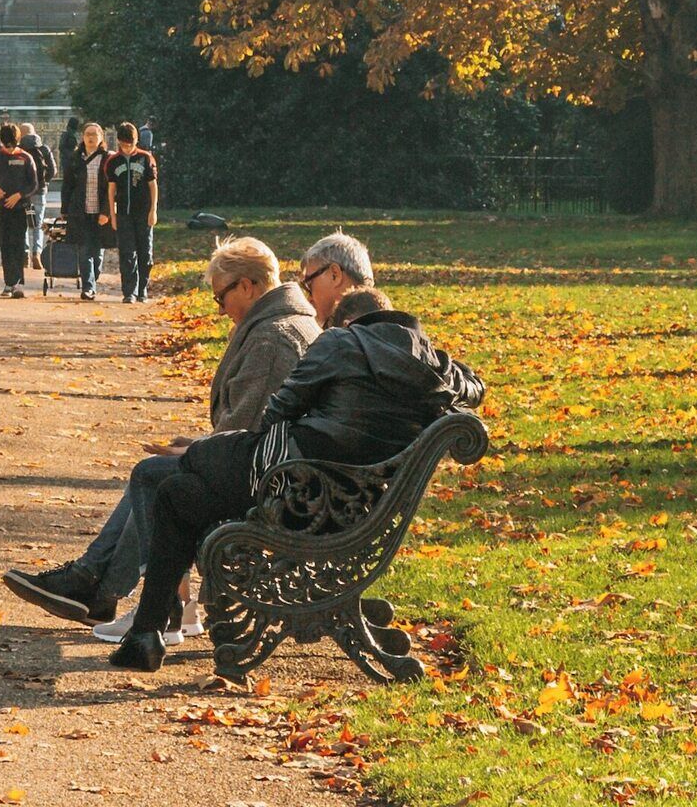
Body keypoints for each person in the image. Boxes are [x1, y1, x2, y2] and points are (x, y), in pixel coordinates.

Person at [111, 233, 475, 672]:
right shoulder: (436, 369)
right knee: (184, 485)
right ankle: (151, 627)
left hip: (301, 495)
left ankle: (148, 632)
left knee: (175, 486)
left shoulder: (339, 343)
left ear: (348, 322)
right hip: (358, 506)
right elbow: (474, 387)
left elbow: (277, 412)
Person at [2, 237, 317, 630]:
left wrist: (195, 452)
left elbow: (245, 434)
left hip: (267, 483)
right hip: (280, 471)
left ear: (248, 287)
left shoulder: (272, 340)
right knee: (159, 471)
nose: (220, 311)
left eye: (221, 298)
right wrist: (196, 447)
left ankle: (145, 598)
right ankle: (93, 587)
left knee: (153, 476)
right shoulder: (280, 323)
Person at [0, 124, 44, 299]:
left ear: (17, 141)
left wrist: (19, 195)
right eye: (6, 145)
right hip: (1, 208)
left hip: (19, 208)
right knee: (5, 245)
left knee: (18, 245)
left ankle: (16, 282)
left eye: (11, 145)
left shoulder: (25, 158)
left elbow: (33, 184)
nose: (8, 149)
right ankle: (8, 282)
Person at [103, 129, 163, 302]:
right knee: (127, 253)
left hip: (143, 212)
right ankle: (129, 291)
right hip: (123, 212)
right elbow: (111, 189)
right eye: (123, 145)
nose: (127, 148)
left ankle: (142, 289)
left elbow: (153, 185)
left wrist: (153, 210)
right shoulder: (113, 161)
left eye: (129, 145)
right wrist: (112, 215)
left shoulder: (145, 158)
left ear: (135, 142)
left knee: (145, 252)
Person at [60, 122, 111, 298]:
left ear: (101, 138)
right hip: (80, 211)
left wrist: (107, 211)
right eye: (88, 134)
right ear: (82, 137)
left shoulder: (107, 159)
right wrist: (65, 209)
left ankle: (93, 279)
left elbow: (112, 189)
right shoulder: (75, 159)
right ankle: (88, 287)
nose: (90, 137)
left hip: (100, 213)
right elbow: (67, 186)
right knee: (84, 249)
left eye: (94, 134)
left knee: (97, 252)